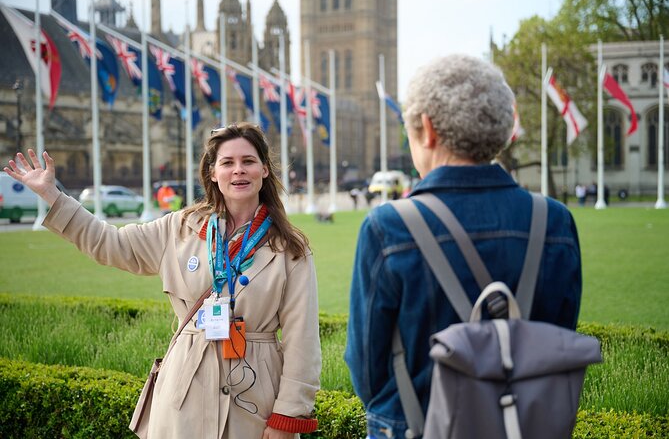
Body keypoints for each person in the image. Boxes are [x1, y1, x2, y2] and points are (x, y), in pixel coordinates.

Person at [4, 123, 321, 439]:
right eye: (227, 162)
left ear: (264, 170)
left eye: (248, 161)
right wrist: (52, 195)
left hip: (253, 401)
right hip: (183, 399)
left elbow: (302, 341)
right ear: (212, 172)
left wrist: (286, 417)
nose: (238, 171)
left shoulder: (290, 248)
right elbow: (110, 243)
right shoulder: (178, 228)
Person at [344, 55, 582, 439]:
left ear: (428, 129)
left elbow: (367, 370)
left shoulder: (388, 227)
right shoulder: (554, 221)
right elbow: (558, 340)